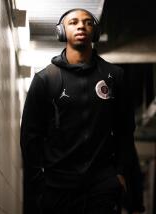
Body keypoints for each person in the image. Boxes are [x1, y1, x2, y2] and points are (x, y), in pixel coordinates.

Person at [20, 8, 139, 214]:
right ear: (62, 31)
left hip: (101, 186)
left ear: (95, 31)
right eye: (73, 22)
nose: (81, 26)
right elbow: (30, 136)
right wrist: (38, 182)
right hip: (57, 186)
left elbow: (125, 131)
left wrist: (119, 173)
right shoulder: (45, 79)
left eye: (88, 22)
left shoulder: (114, 76)